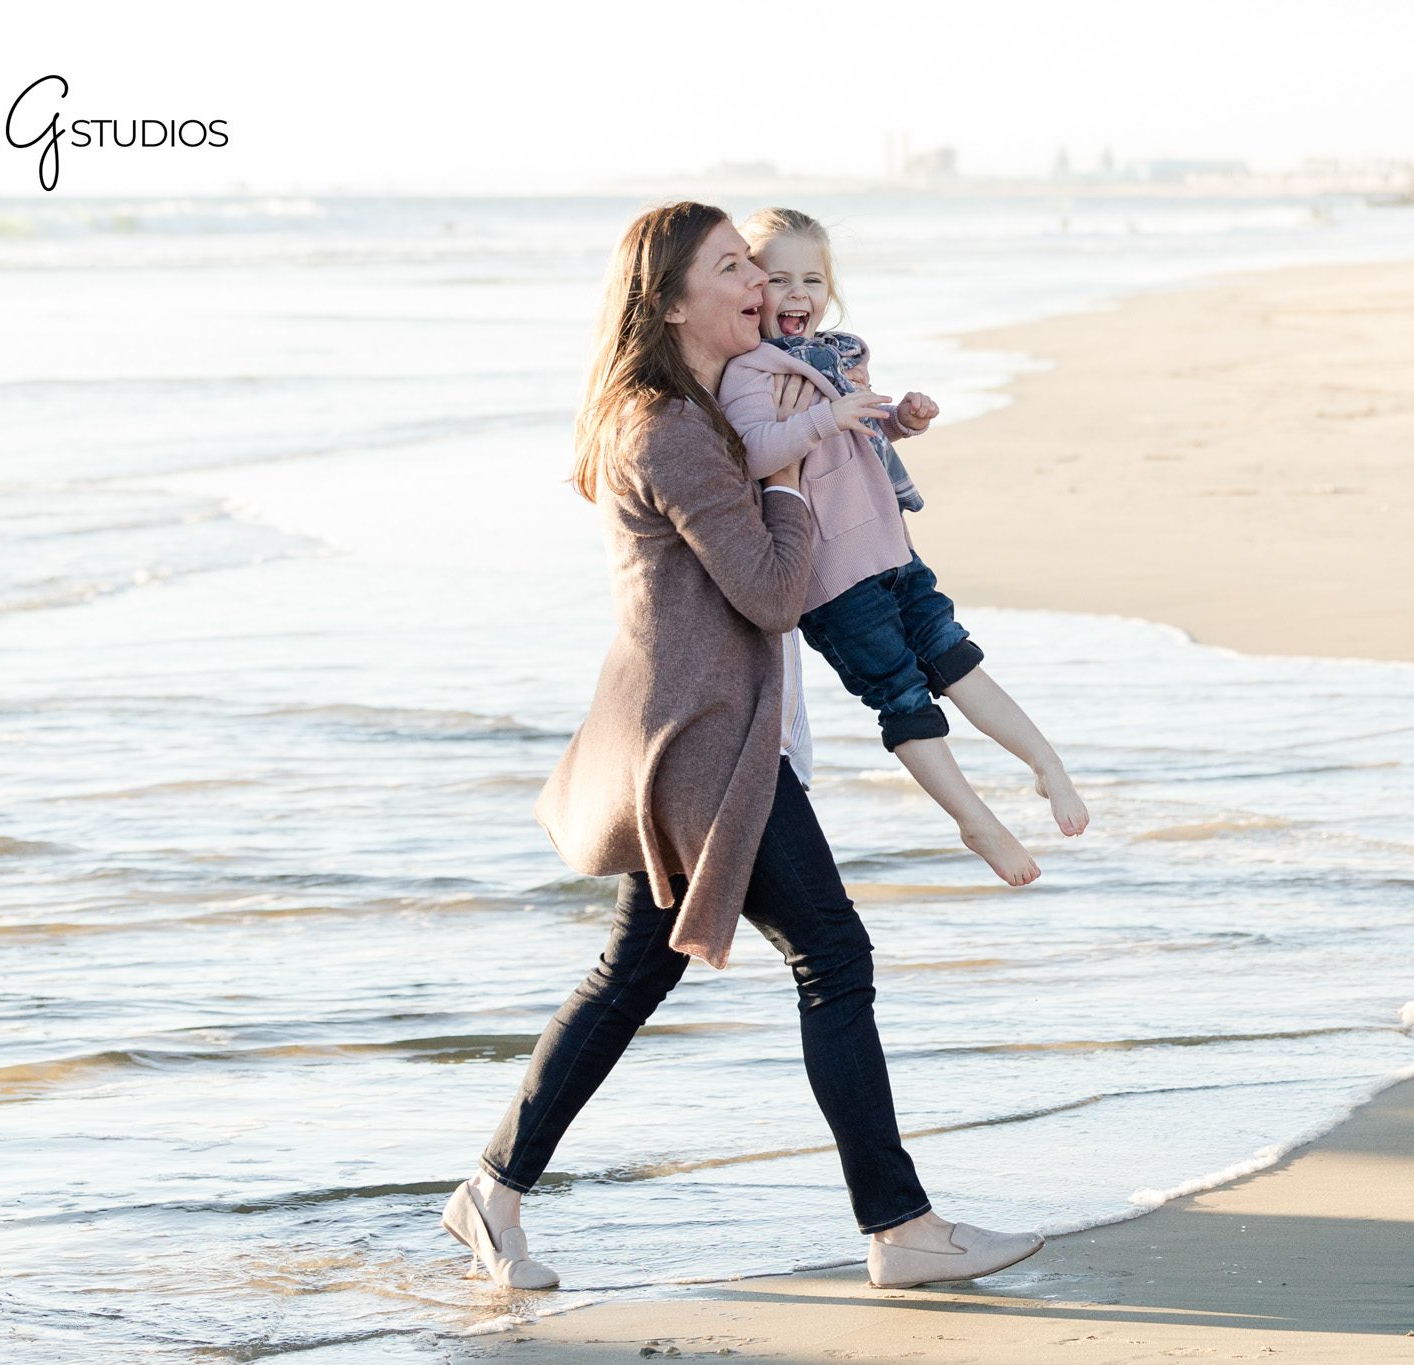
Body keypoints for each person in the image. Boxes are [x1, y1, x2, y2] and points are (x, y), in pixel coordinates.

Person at [441, 201, 1043, 1293]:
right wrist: (784, 478)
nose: (757, 284)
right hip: (706, 745)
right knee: (832, 955)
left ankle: (490, 1192)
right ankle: (901, 1230)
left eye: (755, 266)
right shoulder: (666, 429)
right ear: (671, 303)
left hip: (690, 731)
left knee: (632, 975)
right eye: (731, 269)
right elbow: (768, 595)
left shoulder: (701, 408)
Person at [718, 207, 1088, 890]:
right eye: (778, 279)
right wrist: (826, 415)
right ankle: (974, 819)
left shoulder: (840, 354)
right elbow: (759, 451)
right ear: (749, 287)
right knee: (903, 695)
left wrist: (901, 420)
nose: (798, 294)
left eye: (813, 279)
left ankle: (1046, 762)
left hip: (890, 546)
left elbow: (865, 436)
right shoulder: (748, 373)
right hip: (829, 577)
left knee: (957, 657)